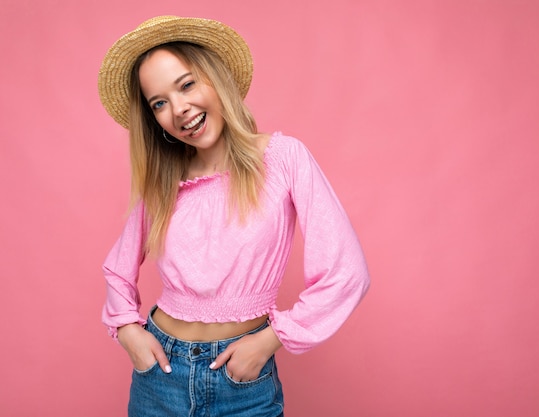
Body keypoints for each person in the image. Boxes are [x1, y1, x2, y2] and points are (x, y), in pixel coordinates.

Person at [97, 15, 370, 417]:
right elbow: (117, 270)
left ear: (216, 78)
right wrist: (128, 332)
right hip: (160, 377)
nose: (179, 109)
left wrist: (270, 340)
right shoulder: (164, 181)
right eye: (159, 103)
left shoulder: (283, 159)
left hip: (243, 383)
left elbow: (347, 271)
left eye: (186, 84)